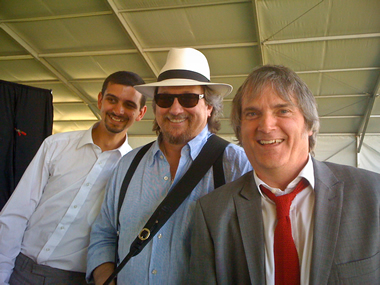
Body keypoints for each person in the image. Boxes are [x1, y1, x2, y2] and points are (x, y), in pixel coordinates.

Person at [189, 65, 380, 284]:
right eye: (252, 113)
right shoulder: (213, 213)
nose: (266, 126)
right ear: (240, 129)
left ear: (308, 124)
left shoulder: (373, 195)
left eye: (283, 111)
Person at [86, 47, 252, 284]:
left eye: (188, 98)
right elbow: (104, 233)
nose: (175, 109)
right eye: (165, 99)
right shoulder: (128, 165)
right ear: (154, 108)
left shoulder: (236, 165)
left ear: (209, 107)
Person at [0, 71, 147, 284]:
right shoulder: (55, 145)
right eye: (112, 100)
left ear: (141, 113)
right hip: (21, 270)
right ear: (100, 100)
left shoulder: (133, 169)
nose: (118, 110)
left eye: (129, 105)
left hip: (76, 278)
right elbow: (17, 212)